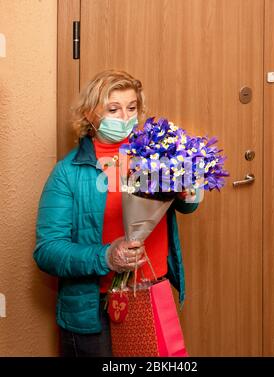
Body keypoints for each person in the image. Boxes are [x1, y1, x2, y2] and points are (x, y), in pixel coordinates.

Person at [33, 69, 199, 357]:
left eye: (131, 108)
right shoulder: (67, 173)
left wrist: (189, 192)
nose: (125, 117)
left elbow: (182, 205)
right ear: (89, 114)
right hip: (93, 307)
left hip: (151, 291)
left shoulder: (156, 157)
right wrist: (107, 257)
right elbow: (47, 251)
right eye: (113, 109)